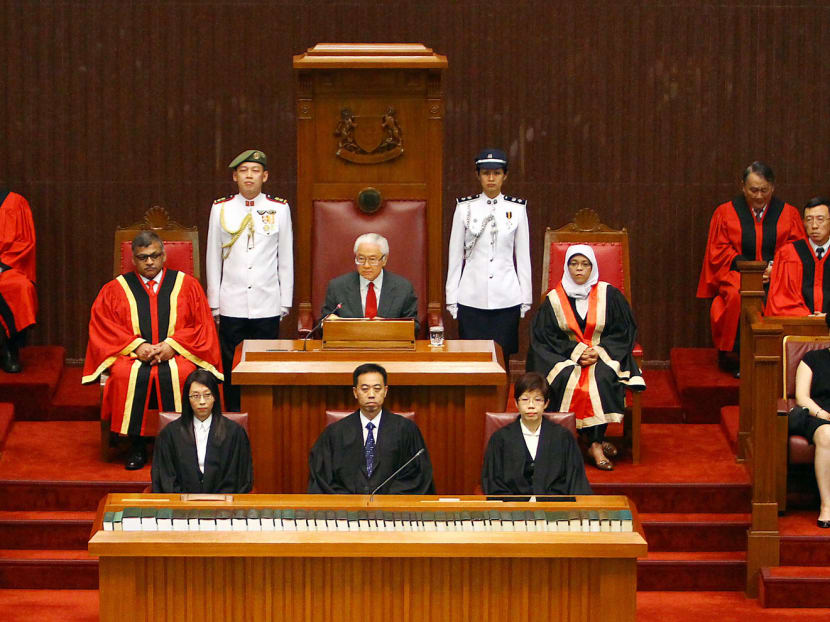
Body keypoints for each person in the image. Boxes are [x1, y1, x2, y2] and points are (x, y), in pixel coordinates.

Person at [82, 231, 223, 470]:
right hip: (132, 355)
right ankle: (135, 445)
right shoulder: (115, 288)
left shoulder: (187, 285)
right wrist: (137, 346)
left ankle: (180, 445)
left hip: (178, 353)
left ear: (164, 256)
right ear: (133, 259)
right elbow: (103, 325)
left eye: (155, 256)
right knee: (126, 375)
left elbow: (201, 325)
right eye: (143, 257)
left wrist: (172, 345)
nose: (149, 262)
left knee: (183, 374)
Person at [527, 245, 645, 471]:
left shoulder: (610, 295)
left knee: (602, 378)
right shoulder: (554, 300)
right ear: (566, 266)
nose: (579, 269)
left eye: (584, 264)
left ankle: (593, 441)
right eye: (574, 264)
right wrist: (576, 351)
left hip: (603, 355)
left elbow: (623, 331)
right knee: (567, 379)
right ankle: (594, 442)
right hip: (566, 357)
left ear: (593, 267)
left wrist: (598, 351)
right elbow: (544, 337)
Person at [697, 161, 805, 375]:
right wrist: (750, 270)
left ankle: (782, 359)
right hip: (738, 274)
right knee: (739, 296)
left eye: (764, 190)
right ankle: (737, 357)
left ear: (772, 187)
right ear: (743, 187)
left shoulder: (788, 213)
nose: (758, 195)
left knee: (784, 297)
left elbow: (795, 249)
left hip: (778, 275)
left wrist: (776, 268)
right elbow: (718, 250)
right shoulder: (726, 212)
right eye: (753, 190)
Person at [206, 149, 293, 411]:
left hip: (267, 301)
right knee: (232, 366)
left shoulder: (279, 209)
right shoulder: (220, 208)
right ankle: (234, 415)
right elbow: (213, 257)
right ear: (235, 176)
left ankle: (264, 416)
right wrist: (215, 303)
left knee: (265, 365)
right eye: (243, 171)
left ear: (265, 176)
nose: (249, 176)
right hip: (231, 302)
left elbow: (285, 257)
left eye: (255, 171)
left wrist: (284, 302)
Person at [445, 148, 531, 360]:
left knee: (503, 360)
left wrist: (525, 298)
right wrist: (451, 298)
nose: (491, 178)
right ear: (478, 175)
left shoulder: (517, 209)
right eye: (485, 173)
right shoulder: (464, 208)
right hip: (471, 296)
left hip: (507, 298)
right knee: (472, 360)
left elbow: (522, 257)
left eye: (497, 173)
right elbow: (455, 257)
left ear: (505, 175)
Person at [308, 363, 434, 494]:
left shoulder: (406, 430)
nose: (371, 394)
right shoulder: (334, 433)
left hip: (392, 509)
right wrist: (350, 502)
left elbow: (418, 476)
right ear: (355, 392)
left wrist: (386, 499)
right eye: (365, 389)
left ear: (385, 391)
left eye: (377, 388)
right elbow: (322, 478)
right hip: (348, 510)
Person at [481, 372, 592, 495]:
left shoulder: (563, 437)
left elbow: (576, 481)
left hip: (554, 508)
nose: (531, 406)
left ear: (546, 403)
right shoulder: (500, 438)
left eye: (538, 399)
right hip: (513, 508)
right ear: (516, 404)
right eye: (525, 399)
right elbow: (493, 481)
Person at [151, 369, 253, 494]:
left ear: (215, 397)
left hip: (223, 507)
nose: (202, 402)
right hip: (181, 508)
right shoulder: (169, 434)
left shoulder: (235, 433)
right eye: (195, 396)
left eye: (207, 395)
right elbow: (165, 477)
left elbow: (240, 477)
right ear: (187, 399)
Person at [321, 233, 419, 332]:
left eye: (372, 259)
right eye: (361, 259)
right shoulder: (337, 287)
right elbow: (322, 326)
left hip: (388, 345)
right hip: (350, 345)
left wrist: (389, 326)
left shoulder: (403, 288)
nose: (366, 265)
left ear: (384, 260)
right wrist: (328, 323)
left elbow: (414, 327)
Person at [788, 321, 830, 527]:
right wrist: (824, 414)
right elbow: (802, 397)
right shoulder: (812, 358)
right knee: (828, 435)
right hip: (818, 415)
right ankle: (827, 506)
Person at [766, 197, 830, 316]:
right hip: (798, 327)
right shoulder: (788, 254)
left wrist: (827, 318)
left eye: (820, 219)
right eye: (809, 220)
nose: (814, 226)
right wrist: (806, 317)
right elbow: (781, 300)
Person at [0, 189, 37, 373]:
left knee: (19, 287)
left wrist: (2, 265)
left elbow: (24, 242)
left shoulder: (15, 202)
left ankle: (9, 348)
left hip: (6, 266)